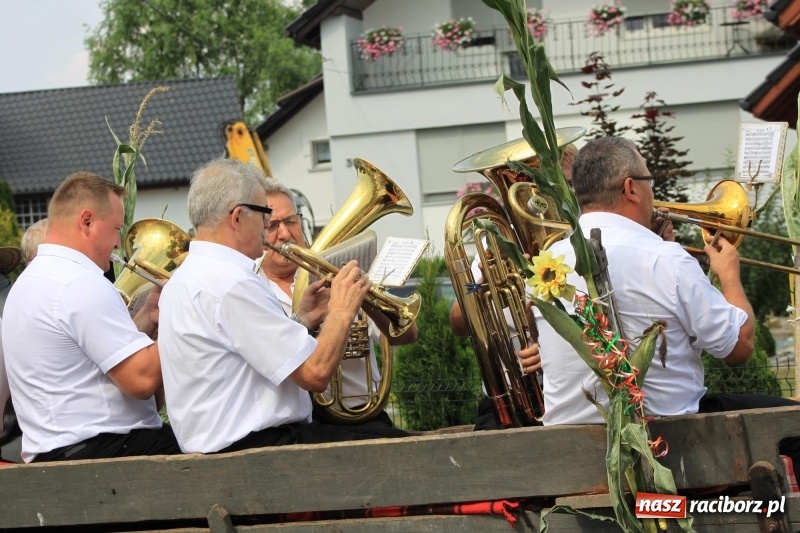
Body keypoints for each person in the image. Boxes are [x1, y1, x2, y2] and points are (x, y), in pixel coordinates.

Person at [536, 136, 799, 425]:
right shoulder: (667, 260)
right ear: (631, 188)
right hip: (671, 435)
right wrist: (729, 276)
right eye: (648, 179)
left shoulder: (546, 265)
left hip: (568, 438)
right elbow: (740, 347)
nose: (652, 191)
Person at [157, 159, 406, 455]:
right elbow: (315, 373)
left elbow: (246, 361)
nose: (268, 228)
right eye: (265, 216)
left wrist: (302, 319)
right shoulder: (232, 282)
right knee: (405, 452)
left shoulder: (184, 279)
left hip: (233, 450)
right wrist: (341, 309)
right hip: (263, 450)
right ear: (237, 217)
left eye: (288, 220)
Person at [1, 171, 180, 463]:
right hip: (103, 450)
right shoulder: (80, 282)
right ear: (86, 222)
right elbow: (142, 380)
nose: (119, 245)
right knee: (220, 445)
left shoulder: (29, 281)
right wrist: (182, 314)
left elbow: (92, 361)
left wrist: (148, 317)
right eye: (115, 229)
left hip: (60, 452)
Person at [259, 179, 416, 428]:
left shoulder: (336, 272)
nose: (285, 234)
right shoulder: (250, 288)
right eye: (272, 225)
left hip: (361, 416)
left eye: (291, 221)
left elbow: (405, 335)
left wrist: (363, 295)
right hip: (293, 424)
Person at [448, 143, 578, 430]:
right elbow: (457, 323)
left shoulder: (580, 244)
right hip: (508, 402)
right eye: (533, 182)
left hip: (574, 397)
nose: (544, 192)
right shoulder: (493, 241)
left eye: (561, 183)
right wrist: (480, 285)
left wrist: (555, 350)